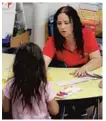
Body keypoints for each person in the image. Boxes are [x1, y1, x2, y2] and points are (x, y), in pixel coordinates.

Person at [2, 43, 59, 119]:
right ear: (40, 64)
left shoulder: (10, 84)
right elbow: (55, 111)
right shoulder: (44, 84)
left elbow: (6, 109)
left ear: (17, 64)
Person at [43, 5, 102, 77]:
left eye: (66, 23)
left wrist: (84, 68)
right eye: (59, 23)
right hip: (64, 75)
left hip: (84, 74)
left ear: (74, 23)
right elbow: (43, 63)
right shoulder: (53, 40)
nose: (62, 27)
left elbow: (98, 59)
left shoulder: (87, 34)